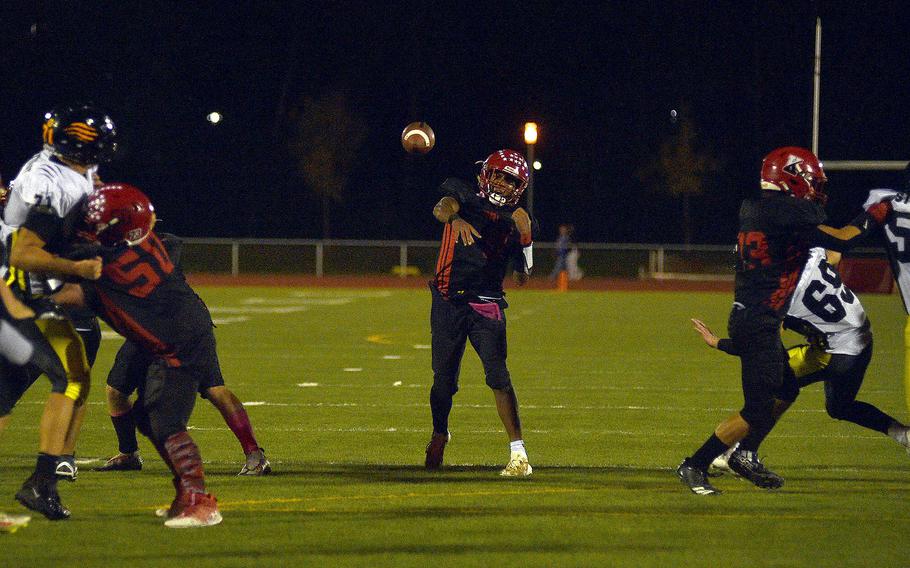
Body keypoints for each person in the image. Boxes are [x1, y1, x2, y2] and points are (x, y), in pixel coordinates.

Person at [676, 146, 893, 495]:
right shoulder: (787, 214)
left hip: (758, 320)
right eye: (810, 181)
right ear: (791, 178)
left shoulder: (760, 210)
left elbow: (821, 249)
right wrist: (874, 214)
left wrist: (720, 343)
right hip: (760, 324)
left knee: (786, 387)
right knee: (759, 410)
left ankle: (742, 456)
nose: (815, 189)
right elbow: (842, 240)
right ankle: (696, 464)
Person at [48, 183, 222, 527]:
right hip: (171, 334)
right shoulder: (138, 245)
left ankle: (200, 501)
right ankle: (186, 494)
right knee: (147, 419)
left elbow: (75, 292)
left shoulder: (112, 263)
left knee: (166, 421)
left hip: (179, 341)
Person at [690, 248, 910, 473]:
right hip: (862, 340)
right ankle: (902, 434)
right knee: (840, 407)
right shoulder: (810, 254)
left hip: (834, 353)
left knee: (774, 390)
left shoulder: (780, 293)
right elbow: (835, 254)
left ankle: (740, 453)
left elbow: (758, 347)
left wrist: (717, 342)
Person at [0, 104, 115, 518]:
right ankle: (42, 482)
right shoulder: (50, 184)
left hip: (30, 293)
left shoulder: (66, 168)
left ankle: (42, 482)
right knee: (66, 379)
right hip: (17, 292)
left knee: (64, 378)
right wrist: (77, 268)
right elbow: (24, 253)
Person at [94, 232, 270, 476]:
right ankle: (129, 453)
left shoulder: (161, 248)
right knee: (116, 390)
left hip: (185, 326)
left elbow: (163, 252)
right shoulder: (110, 254)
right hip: (146, 330)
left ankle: (254, 454)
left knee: (213, 389)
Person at [425, 149, 536, 476]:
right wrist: (455, 218)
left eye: (511, 179)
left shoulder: (517, 218)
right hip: (448, 300)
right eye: (499, 175)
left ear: (520, 186)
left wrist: (526, 236)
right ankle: (440, 432)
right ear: (486, 175)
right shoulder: (464, 198)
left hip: (487, 302)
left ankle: (519, 455)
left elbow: (522, 276)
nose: (502, 183)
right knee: (444, 382)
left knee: (498, 376)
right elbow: (441, 207)